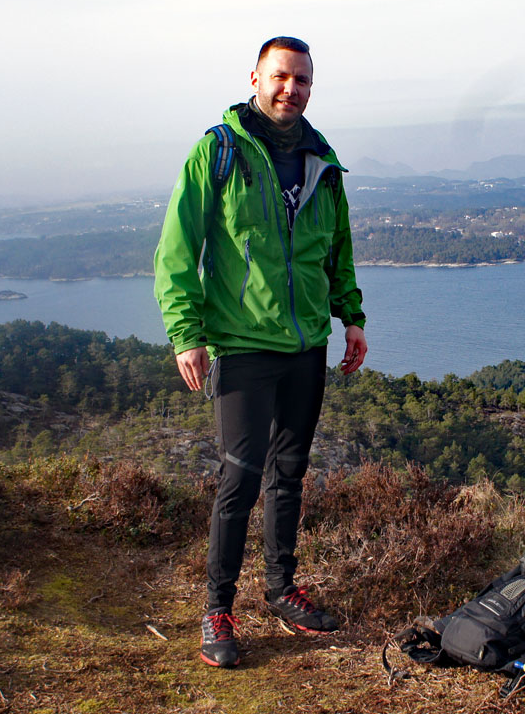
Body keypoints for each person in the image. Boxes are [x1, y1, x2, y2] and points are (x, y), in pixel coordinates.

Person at [154, 36, 368, 668]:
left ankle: (280, 589)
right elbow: (175, 250)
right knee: (239, 478)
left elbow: (337, 248)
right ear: (254, 78)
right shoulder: (217, 153)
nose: (290, 90)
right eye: (280, 77)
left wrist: (350, 318)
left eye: (301, 81)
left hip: (307, 345)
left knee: (290, 473)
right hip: (244, 345)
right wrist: (186, 332)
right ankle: (217, 608)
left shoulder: (321, 160)